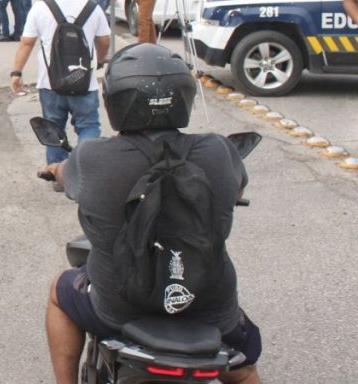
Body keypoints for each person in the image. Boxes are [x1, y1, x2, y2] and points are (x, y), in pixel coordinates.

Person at [40, 43, 262, 384]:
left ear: (115, 100)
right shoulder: (218, 150)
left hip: (119, 309)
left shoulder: (93, 157)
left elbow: (67, 175)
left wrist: (55, 169)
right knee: (243, 370)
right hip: (207, 307)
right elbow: (236, 191)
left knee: (60, 290)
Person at [9, 0, 110, 168]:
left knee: (54, 127)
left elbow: (27, 43)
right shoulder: (93, 7)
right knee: (88, 126)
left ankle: (57, 172)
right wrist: (98, 61)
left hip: (50, 82)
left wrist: (16, 73)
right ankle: (85, 169)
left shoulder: (41, 8)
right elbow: (104, 40)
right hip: (84, 82)